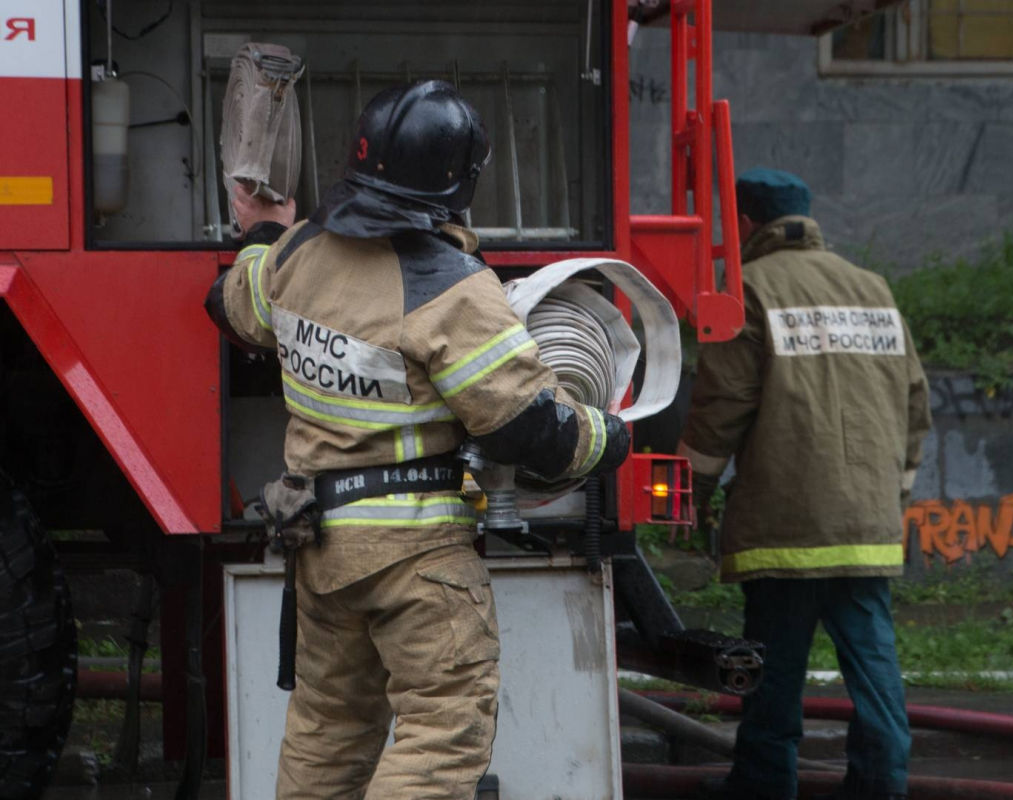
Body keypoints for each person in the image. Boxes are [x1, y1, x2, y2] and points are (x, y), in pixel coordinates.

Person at [205, 81, 629, 800]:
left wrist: (266, 230)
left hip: (320, 545)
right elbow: (531, 431)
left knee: (327, 734)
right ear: (460, 185)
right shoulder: (452, 288)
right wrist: (609, 435)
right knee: (441, 734)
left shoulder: (300, 255)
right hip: (416, 555)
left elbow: (231, 301)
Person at [678, 168, 931, 800]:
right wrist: (889, 498)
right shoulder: (872, 288)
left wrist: (689, 496)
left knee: (775, 670)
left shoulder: (749, 288)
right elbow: (915, 403)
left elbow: (722, 406)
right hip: (868, 527)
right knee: (874, 668)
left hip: (787, 527)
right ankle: (882, 783)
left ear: (743, 223)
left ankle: (765, 783)